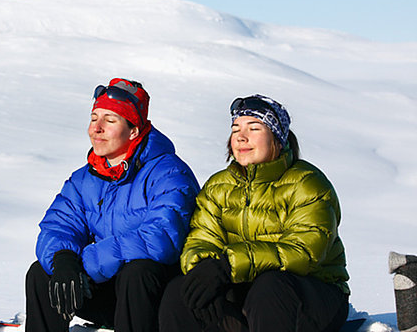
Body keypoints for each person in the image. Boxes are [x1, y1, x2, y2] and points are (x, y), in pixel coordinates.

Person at [159, 94, 350, 332]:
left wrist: (227, 265)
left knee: (270, 287)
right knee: (183, 290)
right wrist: (205, 269)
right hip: (247, 293)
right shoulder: (218, 186)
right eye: (236, 128)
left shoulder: (307, 184)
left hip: (312, 295)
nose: (241, 136)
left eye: (254, 128)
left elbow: (304, 252)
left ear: (277, 138)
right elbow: (201, 239)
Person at [25, 78, 200, 332]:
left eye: (109, 120)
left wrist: (86, 263)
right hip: (108, 288)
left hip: (154, 299)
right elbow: (58, 225)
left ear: (133, 130)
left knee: (138, 271)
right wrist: (63, 259)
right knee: (42, 274)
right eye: (94, 118)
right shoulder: (84, 178)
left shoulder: (169, 173)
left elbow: (161, 239)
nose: (97, 128)